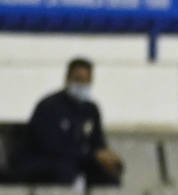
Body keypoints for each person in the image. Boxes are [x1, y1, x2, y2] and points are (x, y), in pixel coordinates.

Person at [21, 58, 123, 186]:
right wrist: (89, 154)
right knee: (64, 170)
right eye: (78, 80)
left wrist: (106, 156)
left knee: (107, 174)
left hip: (79, 161)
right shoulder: (50, 106)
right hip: (48, 161)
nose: (82, 85)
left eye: (86, 81)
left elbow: (97, 142)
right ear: (68, 79)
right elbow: (50, 146)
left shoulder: (91, 109)